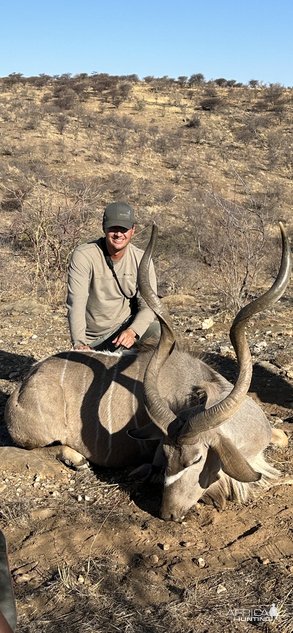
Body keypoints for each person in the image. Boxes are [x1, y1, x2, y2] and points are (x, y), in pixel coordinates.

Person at [67, 202, 159, 351]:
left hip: (125, 332)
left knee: (159, 332)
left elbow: (149, 306)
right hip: (93, 340)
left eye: (123, 229)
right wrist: (79, 343)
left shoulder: (141, 259)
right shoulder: (84, 255)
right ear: (104, 227)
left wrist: (133, 331)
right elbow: (76, 301)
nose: (118, 234)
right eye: (113, 228)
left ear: (133, 230)